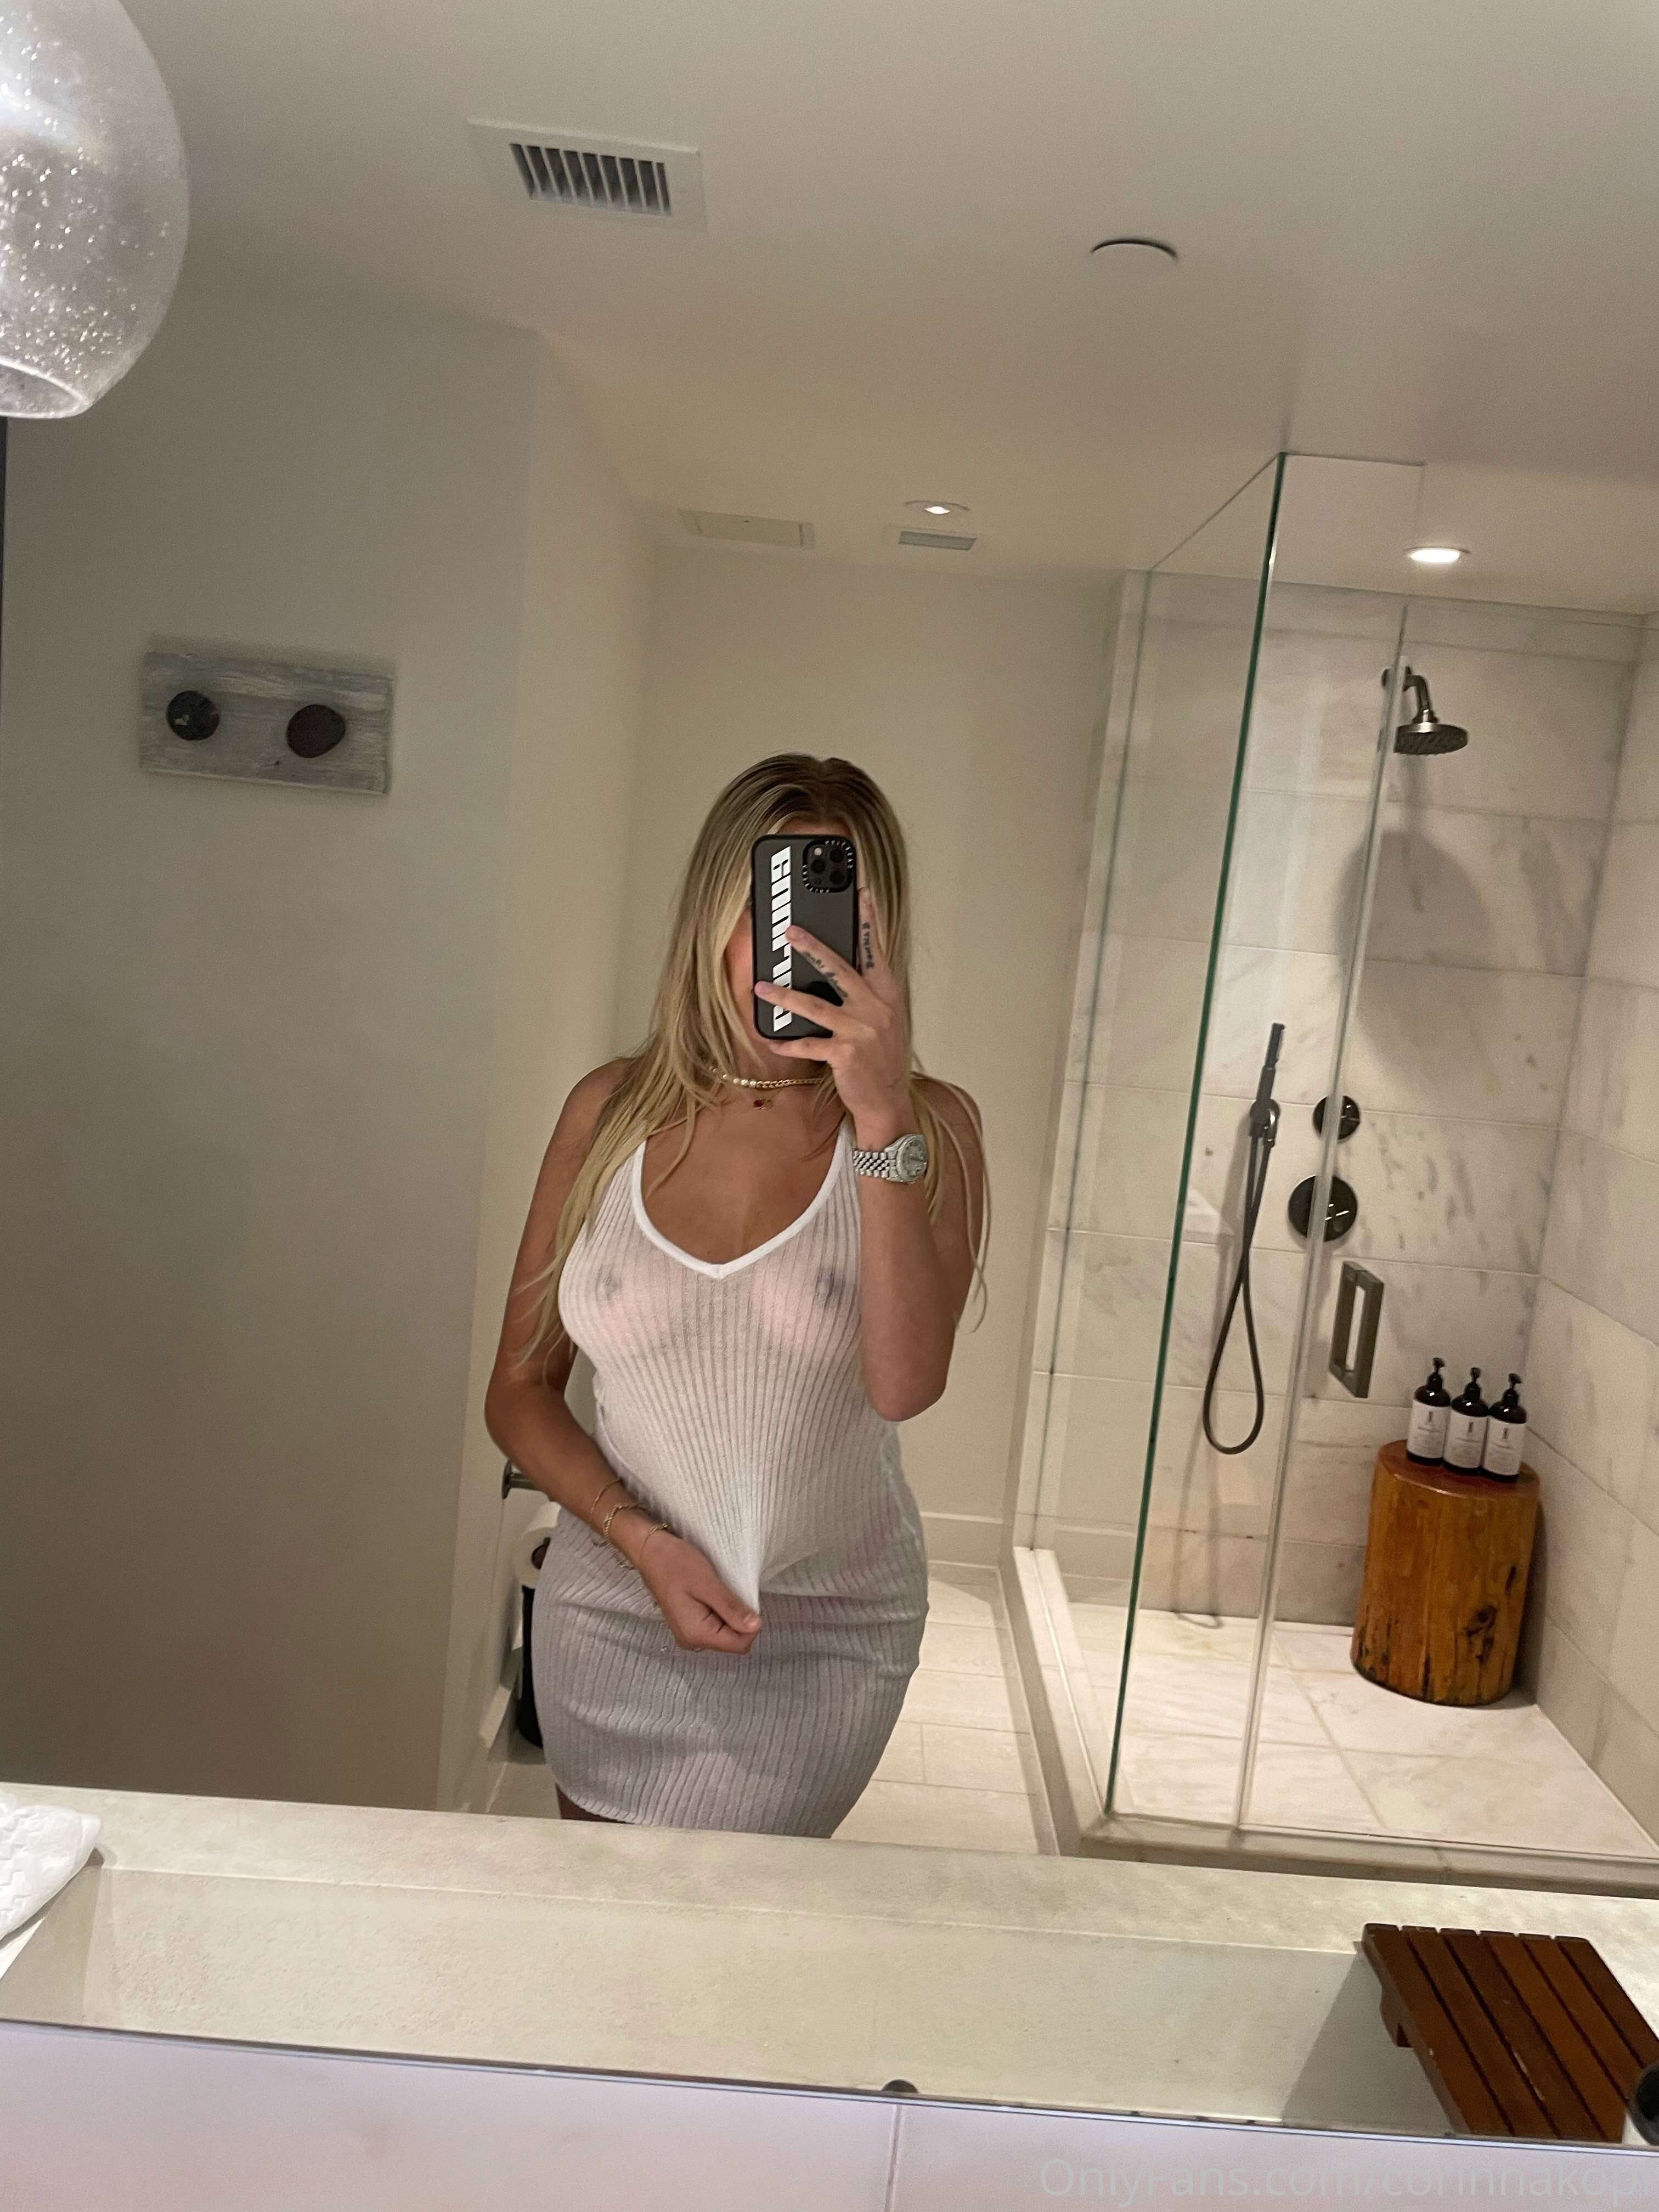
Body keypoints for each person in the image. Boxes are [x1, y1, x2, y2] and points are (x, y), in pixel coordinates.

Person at [484, 753, 986, 1835]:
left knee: (739, 1922)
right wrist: (642, 1544)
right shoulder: (609, 1112)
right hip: (614, 1600)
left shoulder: (931, 1127)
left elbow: (904, 1385)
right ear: (714, 919)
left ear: (877, 938)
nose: (797, 953)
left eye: (832, 922)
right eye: (770, 913)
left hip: (828, 1628)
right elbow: (518, 1394)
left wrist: (882, 1116)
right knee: (604, 1907)